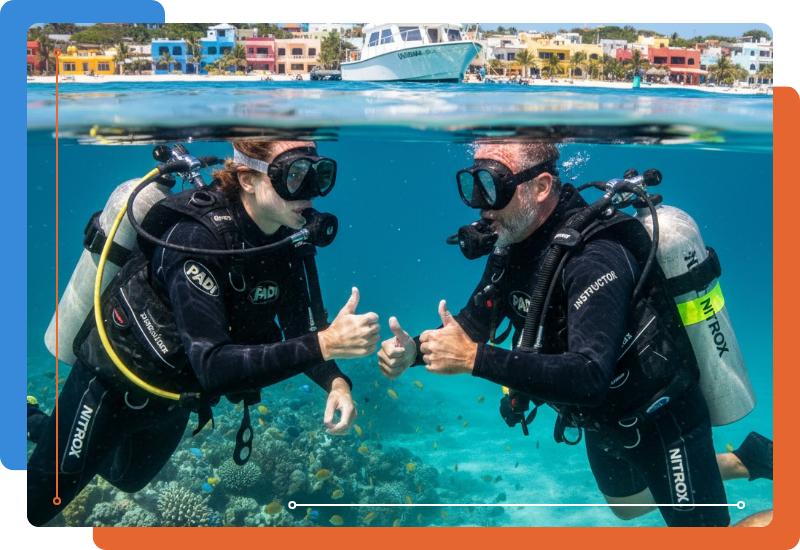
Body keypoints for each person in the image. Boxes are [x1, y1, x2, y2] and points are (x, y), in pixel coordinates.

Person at [378, 142, 773, 527]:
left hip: (661, 421)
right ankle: (747, 460)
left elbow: (587, 377)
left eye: (493, 184)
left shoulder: (593, 256)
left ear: (541, 186)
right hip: (603, 425)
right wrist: (411, 352)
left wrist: (474, 360)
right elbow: (471, 326)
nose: (481, 203)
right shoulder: (512, 243)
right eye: (472, 185)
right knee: (628, 507)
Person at [28, 140, 381, 526]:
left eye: (319, 175)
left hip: (175, 397)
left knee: (128, 479)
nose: (310, 191)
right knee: (37, 508)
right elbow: (213, 365)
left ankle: (40, 429)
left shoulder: (287, 240)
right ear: (248, 178)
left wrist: (336, 382)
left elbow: (299, 329)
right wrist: (326, 343)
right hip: (111, 386)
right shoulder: (195, 240)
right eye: (294, 175)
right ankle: (31, 423)